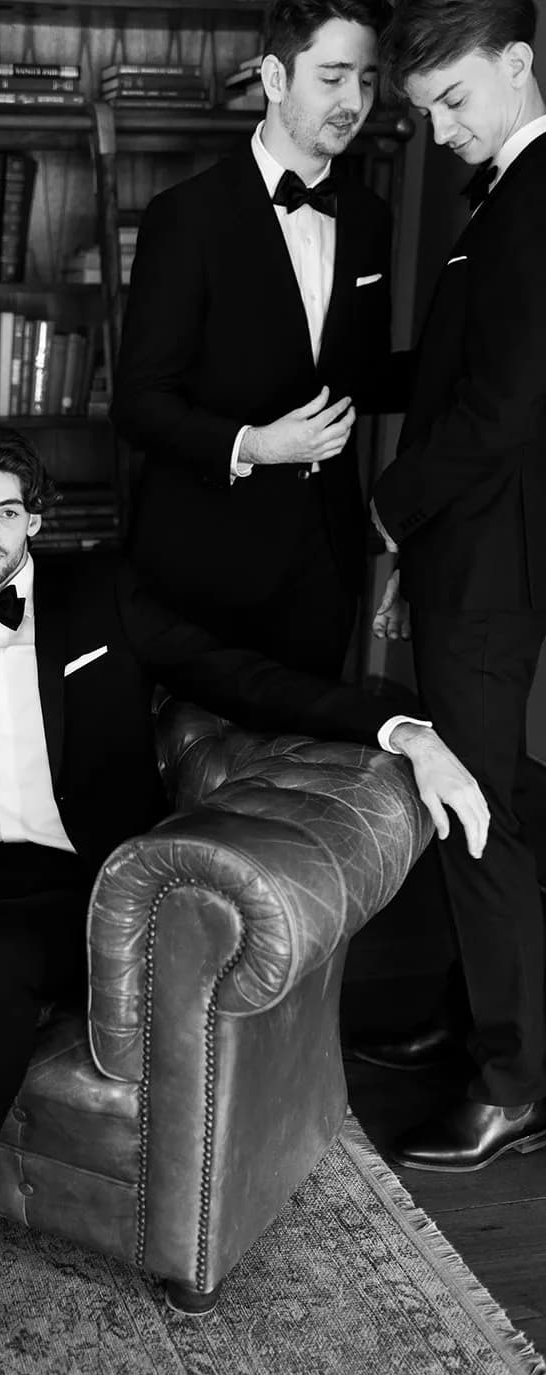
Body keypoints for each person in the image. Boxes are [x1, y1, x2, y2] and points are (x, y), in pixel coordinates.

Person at [0, 424, 487, 1375]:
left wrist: (408, 732)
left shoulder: (107, 597)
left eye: (8, 510)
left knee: (5, 953)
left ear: (38, 520)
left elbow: (249, 679)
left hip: (75, 889)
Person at [362, 0, 546, 1172]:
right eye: (425, 113)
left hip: (487, 557)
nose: (439, 132)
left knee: (476, 812)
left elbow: (501, 409)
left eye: (454, 102)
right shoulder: (509, 197)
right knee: (466, 797)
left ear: (521, 65)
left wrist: (387, 509)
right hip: (474, 547)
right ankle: (461, 1009)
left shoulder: (538, 199)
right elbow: (452, 374)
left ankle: (513, 1078)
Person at [112, 0, 405, 678]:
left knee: (302, 770)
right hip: (202, 560)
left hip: (323, 568)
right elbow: (138, 403)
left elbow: (358, 375)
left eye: (364, 79)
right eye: (330, 77)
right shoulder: (185, 217)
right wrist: (255, 446)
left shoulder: (368, 217)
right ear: (275, 78)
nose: (352, 101)